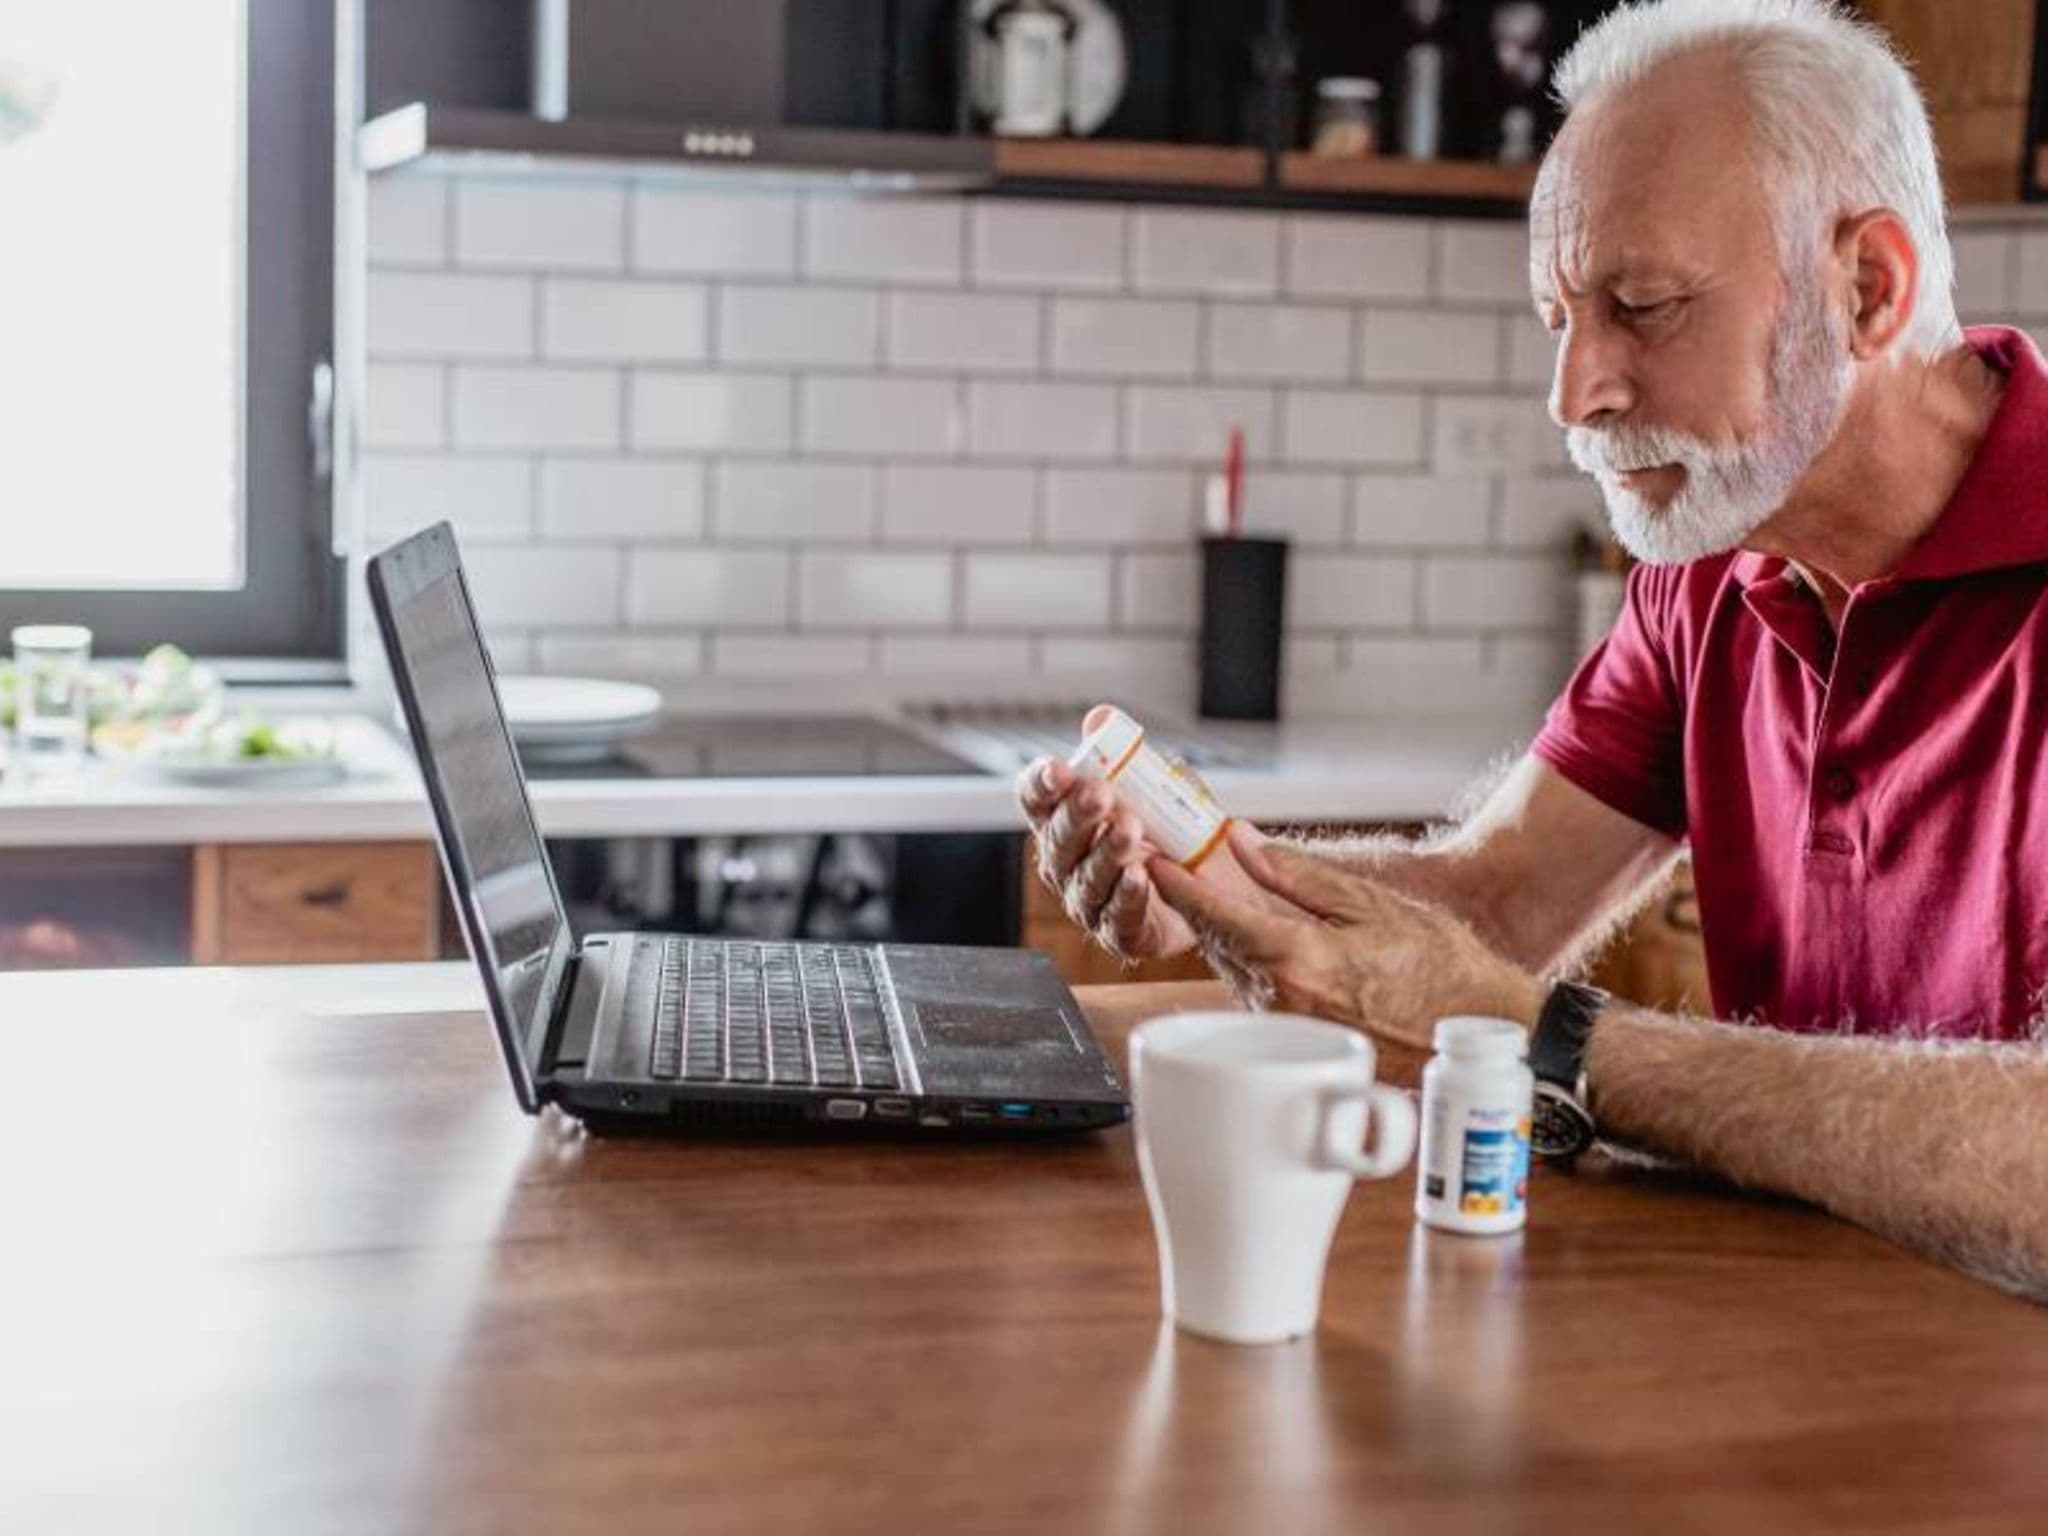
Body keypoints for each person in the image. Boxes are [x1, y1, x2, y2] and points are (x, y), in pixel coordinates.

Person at [1018, 0, 2048, 1303]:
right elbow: (1501, 898)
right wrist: (1217, 879)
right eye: (1561, 317)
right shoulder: (1709, 570)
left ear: (1870, 288)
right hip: (1806, 1355)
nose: (1578, 397)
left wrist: (1552, 1040)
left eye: (1645, 305)